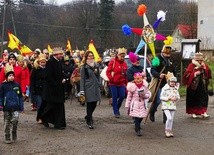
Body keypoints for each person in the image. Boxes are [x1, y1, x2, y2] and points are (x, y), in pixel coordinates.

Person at [150, 45, 177, 123]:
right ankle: (152, 111)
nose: (168, 55)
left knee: (167, 101)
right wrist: (159, 75)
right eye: (166, 54)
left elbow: (174, 71)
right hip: (159, 83)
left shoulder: (170, 60)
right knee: (158, 101)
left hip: (168, 84)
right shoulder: (157, 59)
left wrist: (175, 79)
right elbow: (152, 70)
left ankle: (166, 118)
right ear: (162, 52)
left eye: (169, 54)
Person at [41, 47, 66, 130]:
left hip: (59, 88)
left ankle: (59, 123)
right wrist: (56, 83)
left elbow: (60, 73)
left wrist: (64, 79)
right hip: (52, 89)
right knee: (51, 106)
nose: (62, 56)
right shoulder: (50, 63)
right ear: (56, 55)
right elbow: (48, 76)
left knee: (59, 106)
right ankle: (44, 117)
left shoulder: (59, 62)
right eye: (60, 54)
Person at [183, 52, 212, 118]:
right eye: (198, 60)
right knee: (193, 98)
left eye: (201, 60)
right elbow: (186, 74)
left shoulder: (204, 65)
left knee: (203, 98)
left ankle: (203, 112)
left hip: (203, 85)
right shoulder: (191, 65)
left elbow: (209, 73)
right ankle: (193, 112)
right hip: (193, 85)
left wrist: (205, 69)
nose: (199, 61)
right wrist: (195, 73)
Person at [0, 64, 24, 144]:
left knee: (15, 120)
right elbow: (1, 97)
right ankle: (7, 136)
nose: (11, 77)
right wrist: (1, 106)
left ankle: (14, 132)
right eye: (9, 75)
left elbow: (20, 96)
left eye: (12, 75)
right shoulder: (3, 86)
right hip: (6, 107)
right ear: (6, 77)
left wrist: (21, 106)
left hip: (15, 106)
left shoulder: (17, 85)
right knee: (7, 122)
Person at [79, 51, 101, 129]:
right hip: (88, 87)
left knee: (94, 103)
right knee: (89, 104)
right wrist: (81, 90)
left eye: (92, 56)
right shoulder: (84, 67)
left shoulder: (96, 65)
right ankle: (90, 121)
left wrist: (99, 83)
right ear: (86, 57)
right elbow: (82, 79)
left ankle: (88, 116)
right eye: (89, 56)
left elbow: (98, 76)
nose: (91, 57)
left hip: (95, 87)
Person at [125, 72, 151, 136]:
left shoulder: (144, 86)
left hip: (142, 103)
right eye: (137, 79)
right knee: (136, 117)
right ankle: (137, 129)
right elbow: (129, 97)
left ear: (142, 79)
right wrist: (127, 105)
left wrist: (144, 95)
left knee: (141, 116)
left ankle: (138, 125)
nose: (138, 80)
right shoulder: (132, 87)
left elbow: (148, 94)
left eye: (139, 79)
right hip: (135, 104)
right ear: (134, 79)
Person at [106, 48, 128, 118]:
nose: (122, 58)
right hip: (113, 83)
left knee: (122, 96)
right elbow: (108, 71)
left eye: (123, 56)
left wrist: (126, 83)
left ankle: (116, 108)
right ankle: (116, 111)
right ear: (117, 55)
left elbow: (125, 74)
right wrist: (111, 79)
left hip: (121, 83)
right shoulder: (113, 62)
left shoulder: (124, 64)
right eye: (121, 56)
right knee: (115, 96)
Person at [160, 72, 180, 138]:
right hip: (166, 105)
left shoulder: (175, 89)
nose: (173, 83)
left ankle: (170, 130)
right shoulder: (164, 89)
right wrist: (167, 98)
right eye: (171, 82)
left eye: (174, 82)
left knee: (171, 119)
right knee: (169, 118)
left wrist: (176, 98)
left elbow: (178, 96)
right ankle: (166, 130)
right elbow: (161, 97)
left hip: (173, 105)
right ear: (168, 82)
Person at [30, 54, 47, 123]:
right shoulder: (35, 70)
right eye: (41, 62)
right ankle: (39, 117)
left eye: (44, 62)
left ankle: (44, 117)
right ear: (39, 62)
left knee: (45, 104)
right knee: (39, 104)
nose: (43, 63)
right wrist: (32, 89)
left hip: (45, 89)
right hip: (38, 89)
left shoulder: (47, 69)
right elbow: (32, 80)